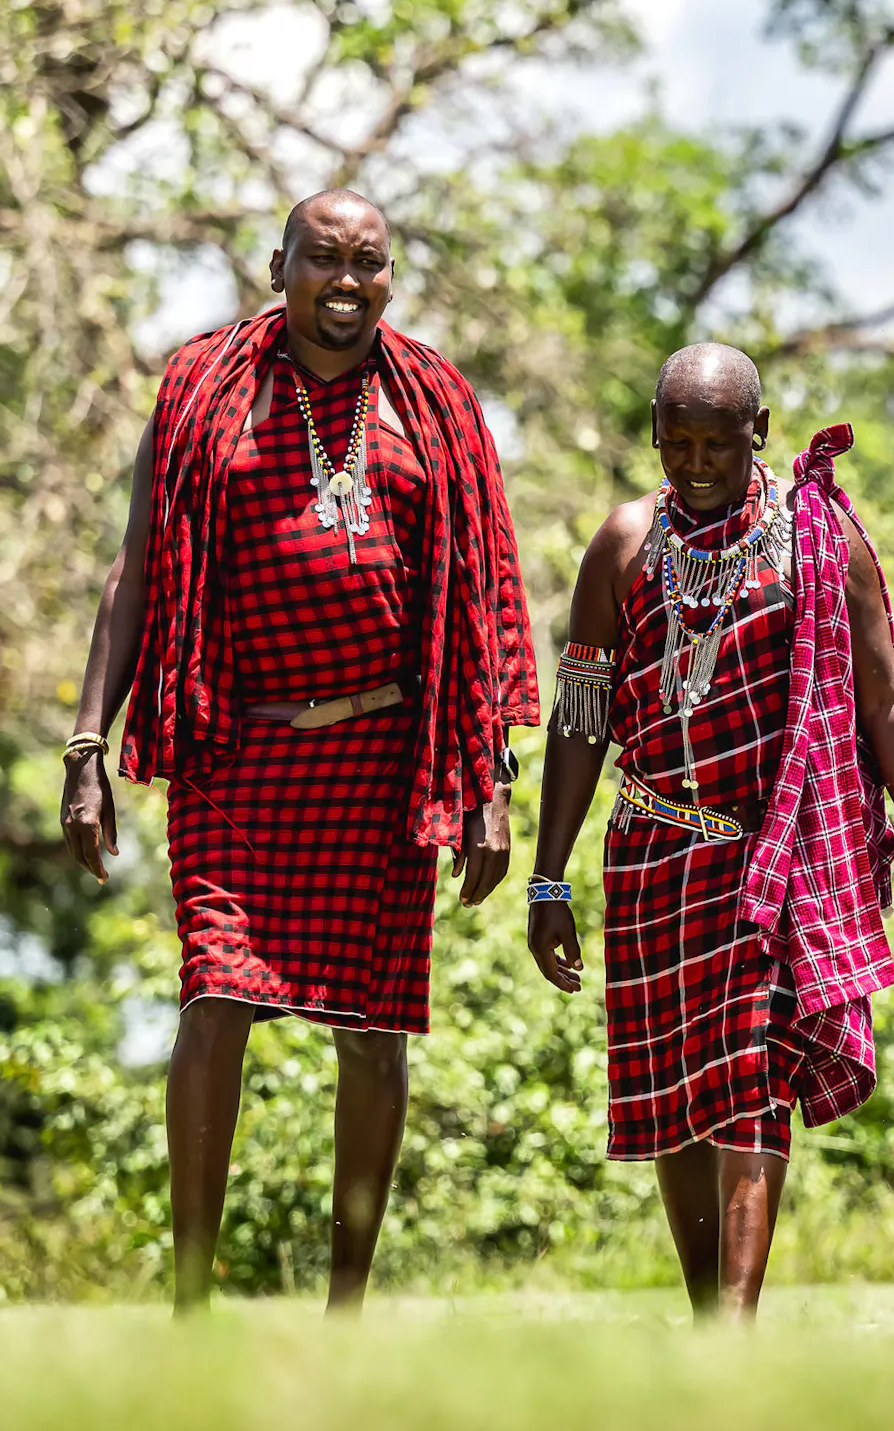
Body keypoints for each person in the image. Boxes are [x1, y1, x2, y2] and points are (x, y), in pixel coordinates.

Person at [61, 189, 542, 1313]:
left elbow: (480, 601)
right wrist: (89, 745)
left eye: (368, 263)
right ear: (278, 265)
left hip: (386, 763)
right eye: (323, 259)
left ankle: (344, 1312)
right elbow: (135, 572)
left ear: (390, 276)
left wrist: (490, 784)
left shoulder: (436, 403)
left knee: (372, 1037)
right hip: (239, 747)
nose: (346, 281)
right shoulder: (200, 389)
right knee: (214, 998)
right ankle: (187, 1301)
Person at [524, 344, 894, 1322]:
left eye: (720, 442)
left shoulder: (819, 538)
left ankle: (736, 1329)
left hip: (774, 856)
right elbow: (582, 714)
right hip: (650, 853)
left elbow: (886, 700)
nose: (700, 463)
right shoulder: (624, 546)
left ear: (762, 431)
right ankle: (709, 1317)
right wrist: (549, 880)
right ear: (656, 440)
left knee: (751, 1082)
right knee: (673, 1099)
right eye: (679, 444)